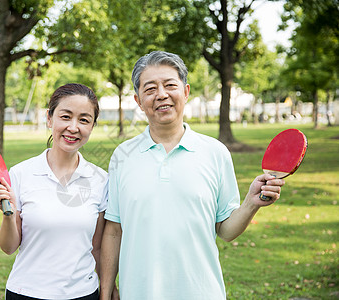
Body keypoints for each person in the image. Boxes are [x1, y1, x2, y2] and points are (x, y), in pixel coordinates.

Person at [99, 51, 285, 300]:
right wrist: (105, 290)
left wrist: (251, 203)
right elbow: (113, 230)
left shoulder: (216, 152)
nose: (161, 94)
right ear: (138, 100)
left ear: (185, 92)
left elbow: (226, 230)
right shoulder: (122, 155)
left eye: (170, 85)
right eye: (150, 88)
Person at [0, 83, 116, 300]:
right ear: (50, 118)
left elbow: (97, 248)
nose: (73, 127)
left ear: (92, 126)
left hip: (83, 294)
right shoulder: (21, 173)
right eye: (65, 116)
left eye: (84, 120)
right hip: (27, 293)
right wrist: (7, 213)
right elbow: (9, 247)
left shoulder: (100, 180)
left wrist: (107, 291)